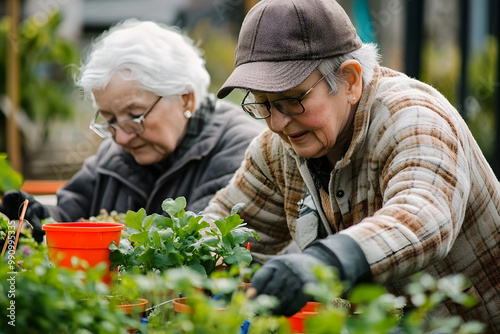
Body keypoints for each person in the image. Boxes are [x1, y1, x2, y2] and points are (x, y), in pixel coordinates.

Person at [202, 0, 500, 331]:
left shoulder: (413, 118)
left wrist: (325, 261)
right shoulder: (278, 149)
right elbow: (225, 227)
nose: (277, 122)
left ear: (350, 81)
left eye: (292, 99)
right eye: (263, 103)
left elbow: (423, 218)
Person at [0, 19, 264, 243]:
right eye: (109, 119)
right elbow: (70, 213)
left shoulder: (244, 150)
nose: (122, 137)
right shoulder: (113, 155)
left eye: (135, 116)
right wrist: (39, 217)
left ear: (186, 99)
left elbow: (195, 245)